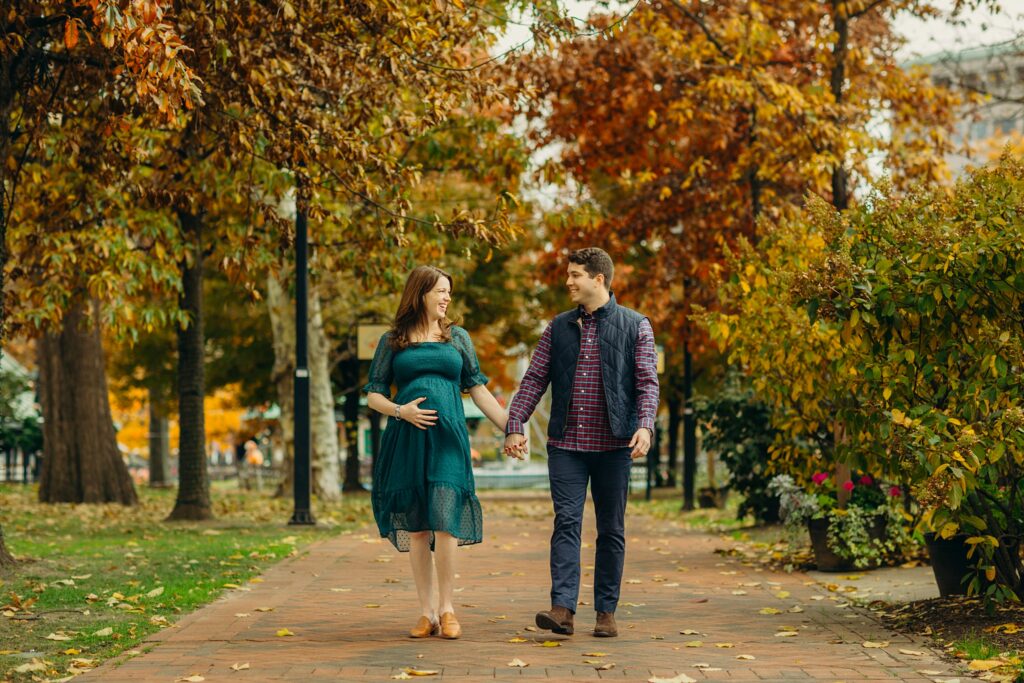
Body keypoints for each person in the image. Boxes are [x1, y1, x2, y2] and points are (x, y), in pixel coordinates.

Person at [503, 247, 659, 638]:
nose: (568, 281)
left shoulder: (636, 325)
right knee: (567, 522)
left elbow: (646, 383)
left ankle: (606, 612)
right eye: (569, 274)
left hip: (614, 446)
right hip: (566, 445)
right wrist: (515, 423)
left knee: (611, 528)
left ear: (598, 279)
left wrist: (645, 425)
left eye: (575, 275)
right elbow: (535, 378)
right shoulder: (558, 327)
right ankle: (562, 610)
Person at [364, 265, 507, 640]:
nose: (446, 298)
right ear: (421, 293)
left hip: (448, 439)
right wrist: (401, 410)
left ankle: (447, 608)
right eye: (440, 291)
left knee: (445, 522)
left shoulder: (457, 337)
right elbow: (374, 394)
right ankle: (425, 612)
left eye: (449, 292)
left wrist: (511, 427)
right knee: (417, 528)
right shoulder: (393, 340)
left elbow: (476, 388)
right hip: (407, 440)